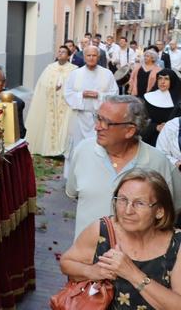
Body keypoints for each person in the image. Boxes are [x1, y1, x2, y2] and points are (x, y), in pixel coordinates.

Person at [59, 169, 181, 309]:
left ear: (160, 211)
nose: (128, 211)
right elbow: (66, 263)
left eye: (140, 203)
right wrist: (92, 271)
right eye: (122, 200)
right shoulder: (103, 230)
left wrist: (132, 273)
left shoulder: (176, 244)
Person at [65, 95, 181, 239]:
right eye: (98, 118)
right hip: (85, 257)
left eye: (106, 122)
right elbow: (72, 191)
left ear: (129, 130)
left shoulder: (158, 162)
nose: (97, 127)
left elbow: (173, 208)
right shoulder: (83, 151)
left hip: (136, 259)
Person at [63, 45, 119, 176]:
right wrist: (81, 95)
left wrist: (98, 96)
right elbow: (67, 93)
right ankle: (75, 176)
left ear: (98, 57)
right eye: (88, 55)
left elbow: (114, 94)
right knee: (77, 148)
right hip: (79, 117)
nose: (91, 58)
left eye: (94, 55)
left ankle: (96, 176)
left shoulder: (107, 74)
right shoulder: (75, 74)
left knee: (98, 148)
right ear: (84, 57)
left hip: (100, 120)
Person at [27, 46, 76, 156]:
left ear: (68, 56)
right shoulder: (50, 68)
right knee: (50, 123)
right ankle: (49, 148)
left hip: (65, 104)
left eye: (63, 52)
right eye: (59, 51)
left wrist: (63, 88)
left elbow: (75, 86)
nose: (60, 53)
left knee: (64, 124)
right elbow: (42, 84)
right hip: (51, 102)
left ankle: (63, 148)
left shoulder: (74, 69)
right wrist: (53, 87)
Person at [141, 69, 181, 146]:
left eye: (166, 79)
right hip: (150, 139)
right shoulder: (147, 97)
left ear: (172, 81)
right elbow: (141, 120)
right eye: (160, 78)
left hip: (172, 141)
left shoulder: (178, 100)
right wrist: (156, 127)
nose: (162, 82)